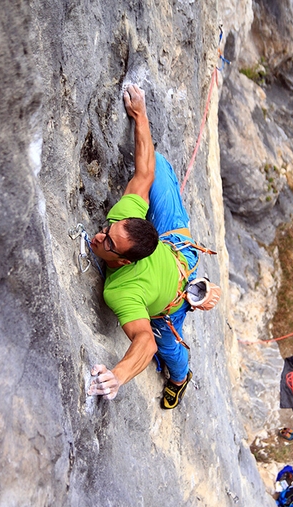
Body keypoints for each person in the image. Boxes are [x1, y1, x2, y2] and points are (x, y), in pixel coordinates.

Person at [87, 84, 199, 409]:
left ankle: (180, 380)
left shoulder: (121, 291)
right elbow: (144, 171)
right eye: (109, 230)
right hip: (175, 244)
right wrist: (140, 115)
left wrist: (117, 375)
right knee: (158, 166)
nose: (98, 236)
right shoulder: (123, 215)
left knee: (170, 351)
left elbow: (145, 342)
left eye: (108, 243)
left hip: (171, 303)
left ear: (122, 262)